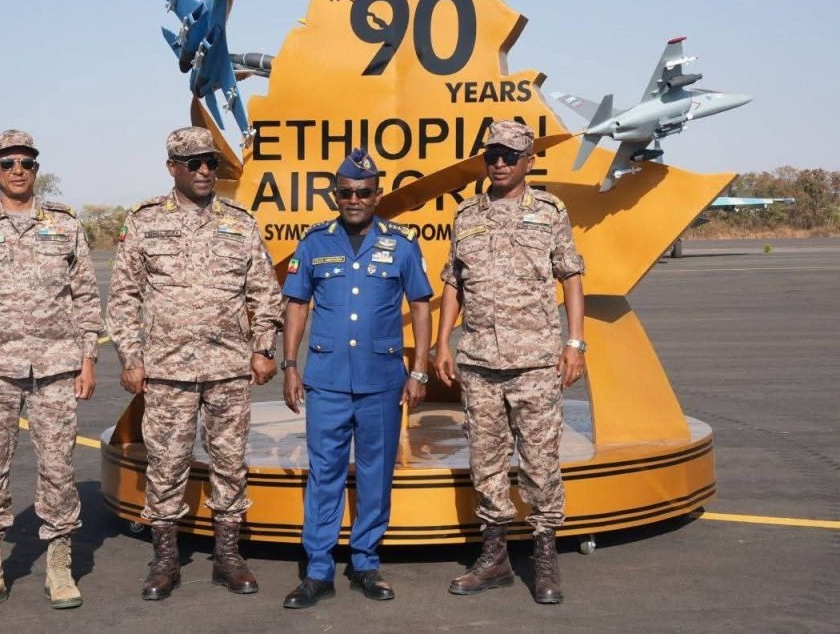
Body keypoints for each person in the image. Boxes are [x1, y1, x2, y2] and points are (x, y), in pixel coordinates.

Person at [106, 126, 283, 601]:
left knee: (230, 462)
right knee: (166, 463)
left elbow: (265, 291)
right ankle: (165, 559)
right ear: (172, 168)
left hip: (229, 367)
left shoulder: (240, 222)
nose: (205, 171)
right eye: (194, 164)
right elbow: (123, 297)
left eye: (211, 163)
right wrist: (131, 357)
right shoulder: (145, 221)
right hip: (167, 369)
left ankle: (228, 556)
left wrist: (264, 348)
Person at [0, 129, 102, 614]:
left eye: (26, 163)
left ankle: (59, 565)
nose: (18, 170)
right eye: (8, 163)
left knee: (59, 468)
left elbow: (86, 297)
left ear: (36, 169)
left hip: (56, 367)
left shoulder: (66, 225)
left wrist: (88, 358)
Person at [434, 120, 586, 605]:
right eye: (491, 155)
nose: (498, 163)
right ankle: (495, 556)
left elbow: (571, 276)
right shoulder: (466, 215)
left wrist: (575, 343)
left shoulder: (549, 211)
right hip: (479, 361)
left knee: (540, 463)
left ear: (529, 161)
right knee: (486, 462)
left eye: (509, 155)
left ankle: (545, 557)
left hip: (535, 361)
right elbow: (453, 282)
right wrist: (442, 343)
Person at [280, 148, 433, 609]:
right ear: (335, 195)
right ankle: (319, 570)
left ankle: (365, 561)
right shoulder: (314, 243)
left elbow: (420, 305)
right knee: (323, 474)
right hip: (326, 380)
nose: (354, 200)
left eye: (363, 192)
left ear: (377, 195)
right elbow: (297, 305)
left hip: (381, 381)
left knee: (375, 474)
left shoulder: (401, 244)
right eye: (346, 192)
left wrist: (419, 369)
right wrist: (290, 365)